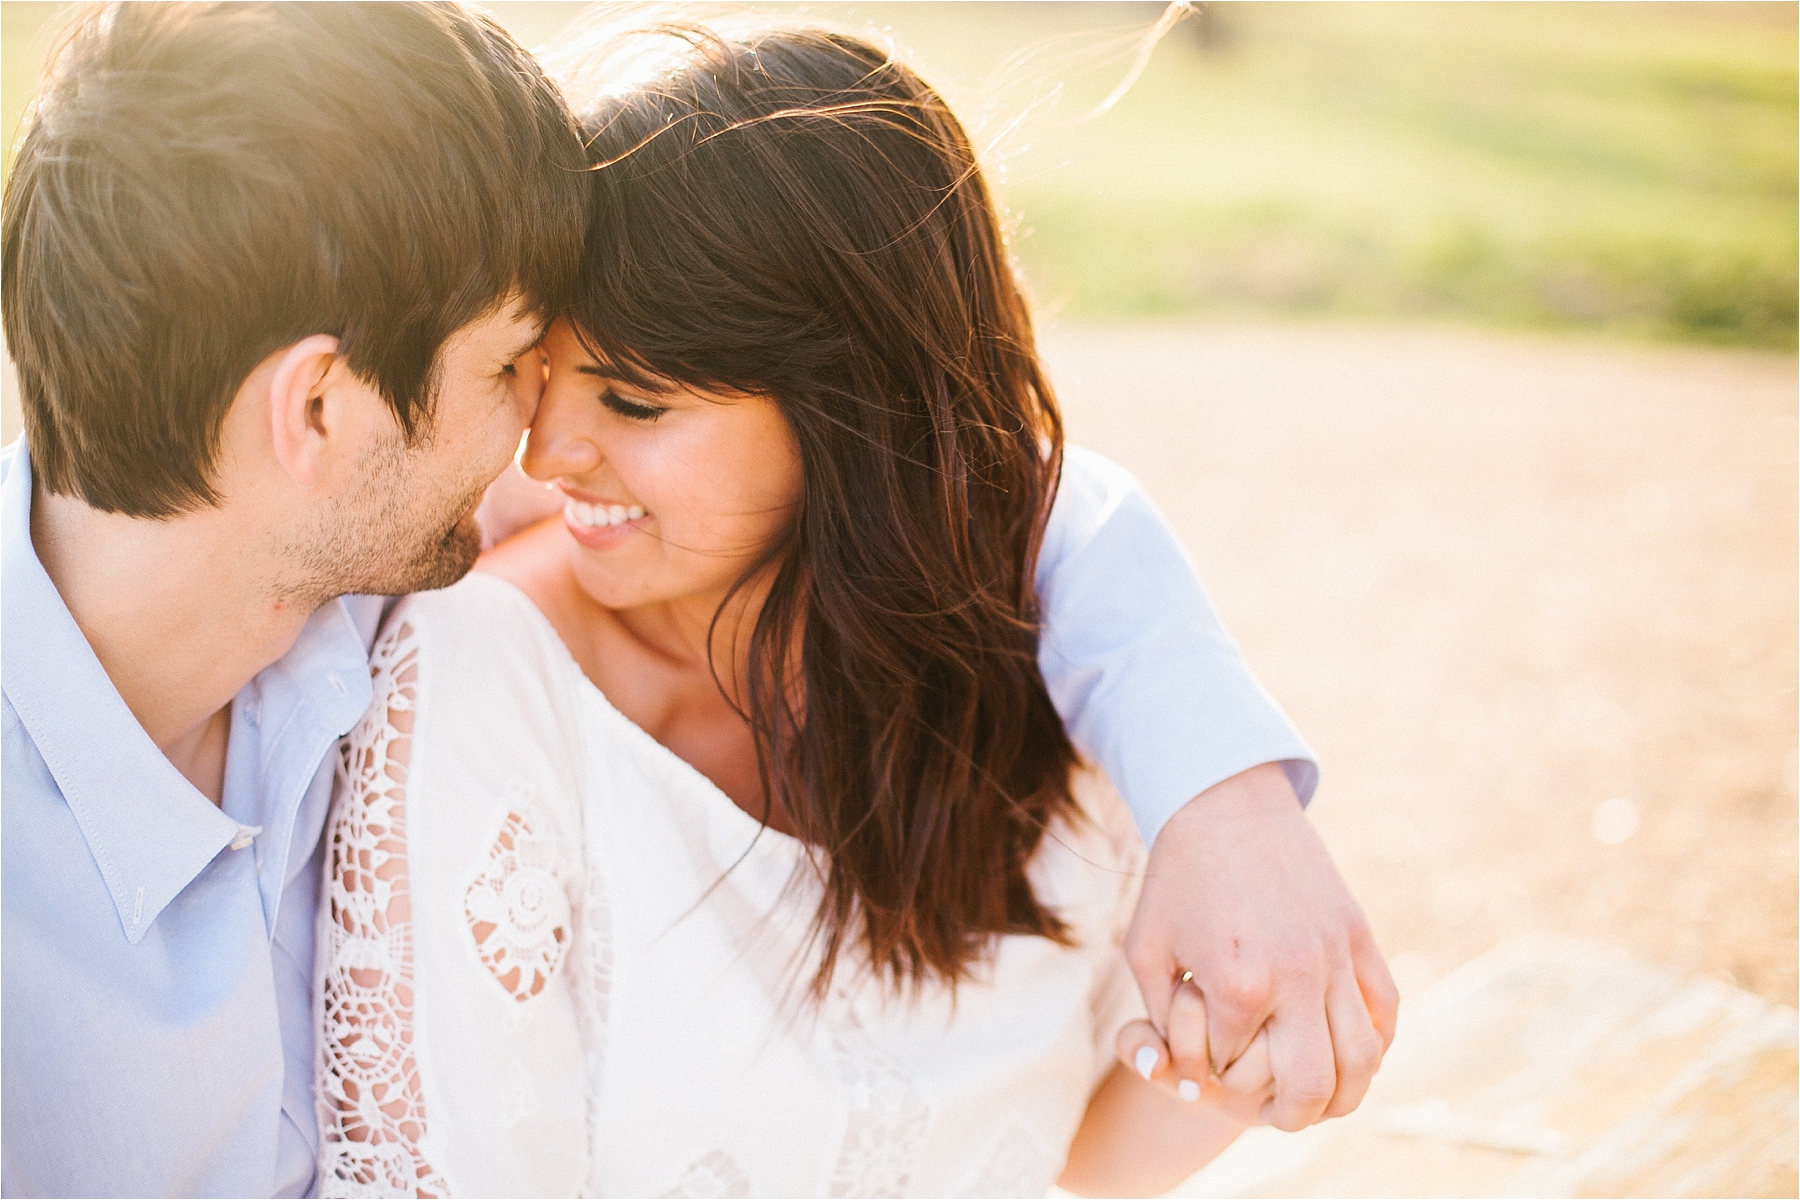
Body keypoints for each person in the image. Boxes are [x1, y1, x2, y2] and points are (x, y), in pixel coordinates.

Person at [0, 3, 1389, 1196]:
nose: (542, 456)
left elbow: (985, 483)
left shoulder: (351, 599)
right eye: (513, 373)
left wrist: (1224, 790)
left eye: (604, 391)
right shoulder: (447, 649)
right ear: (318, 409)